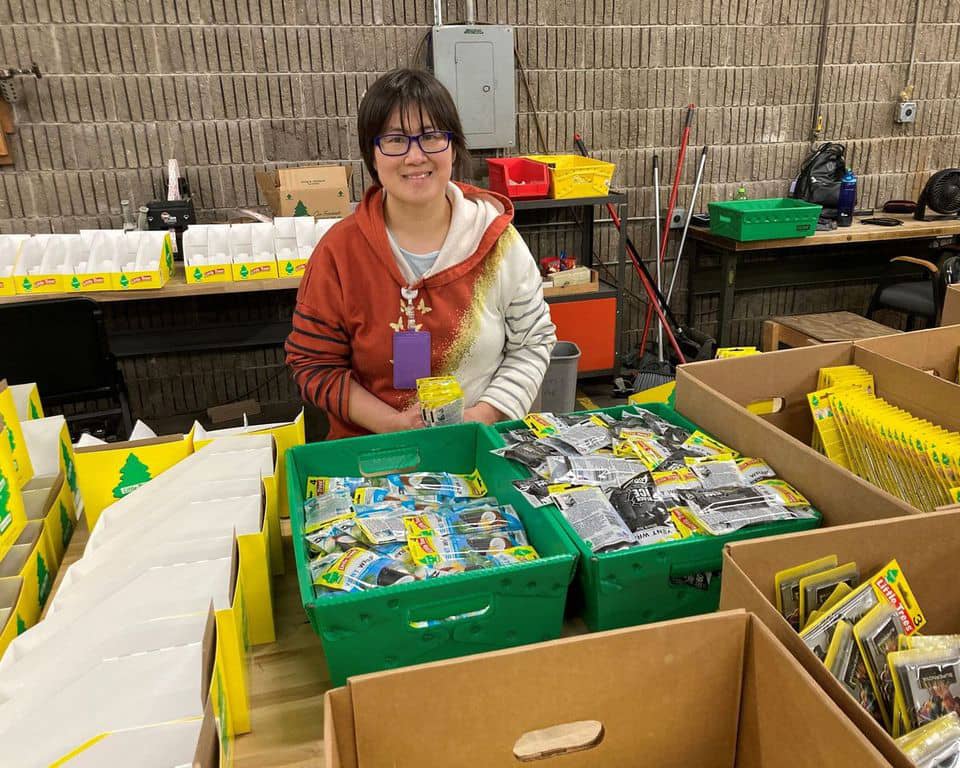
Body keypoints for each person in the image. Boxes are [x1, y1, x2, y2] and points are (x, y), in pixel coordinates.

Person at [286, 69, 556, 440]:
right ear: (372, 155)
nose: (415, 156)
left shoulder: (497, 241)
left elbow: (534, 341)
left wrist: (484, 415)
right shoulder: (339, 252)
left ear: (454, 146)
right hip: (373, 460)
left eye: (431, 136)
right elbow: (313, 364)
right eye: (395, 140)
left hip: (478, 448)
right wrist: (391, 425)